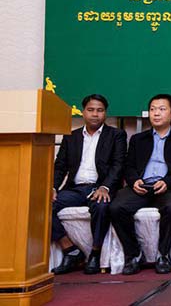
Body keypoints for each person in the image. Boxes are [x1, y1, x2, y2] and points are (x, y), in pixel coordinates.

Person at [109, 94, 171, 275]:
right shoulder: (137, 139)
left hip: (168, 187)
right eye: (152, 109)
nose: (156, 113)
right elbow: (128, 166)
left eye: (162, 109)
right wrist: (134, 181)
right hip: (141, 187)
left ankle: (163, 254)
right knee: (116, 207)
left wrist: (167, 182)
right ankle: (133, 254)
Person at [51, 94, 126, 274]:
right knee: (40, 205)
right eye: (91, 110)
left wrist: (105, 187)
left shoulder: (116, 135)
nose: (95, 114)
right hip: (75, 189)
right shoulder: (71, 136)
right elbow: (60, 166)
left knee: (102, 206)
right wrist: (52, 187)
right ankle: (70, 249)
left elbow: (118, 165)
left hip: (100, 187)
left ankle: (95, 253)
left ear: (105, 113)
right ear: (83, 112)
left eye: (100, 110)